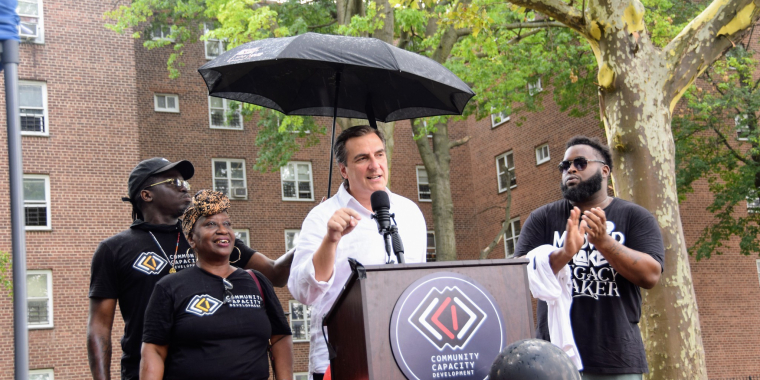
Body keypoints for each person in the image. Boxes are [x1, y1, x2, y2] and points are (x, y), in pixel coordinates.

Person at [87, 157, 293, 380]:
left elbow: (275, 273)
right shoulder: (114, 249)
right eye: (173, 182)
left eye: (185, 182)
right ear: (146, 195)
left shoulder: (209, 237)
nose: (184, 187)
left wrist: (313, 237)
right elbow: (99, 327)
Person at [514, 136, 665, 379]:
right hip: (552, 360)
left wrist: (605, 243)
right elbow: (518, 277)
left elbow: (650, 275)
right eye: (565, 166)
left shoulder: (636, 217)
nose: (570, 169)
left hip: (616, 359)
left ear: (605, 170)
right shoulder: (542, 218)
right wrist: (564, 254)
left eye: (580, 163)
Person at [288, 125, 428, 380]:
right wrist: (331, 240)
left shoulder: (410, 213)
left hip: (403, 355)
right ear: (343, 169)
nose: (375, 165)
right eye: (362, 158)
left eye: (379, 154)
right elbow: (302, 292)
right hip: (340, 360)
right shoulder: (321, 218)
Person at [141, 189, 293, 380]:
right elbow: (154, 350)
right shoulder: (170, 288)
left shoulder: (256, 281)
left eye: (227, 224)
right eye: (210, 224)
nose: (223, 230)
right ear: (191, 239)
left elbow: (280, 337)